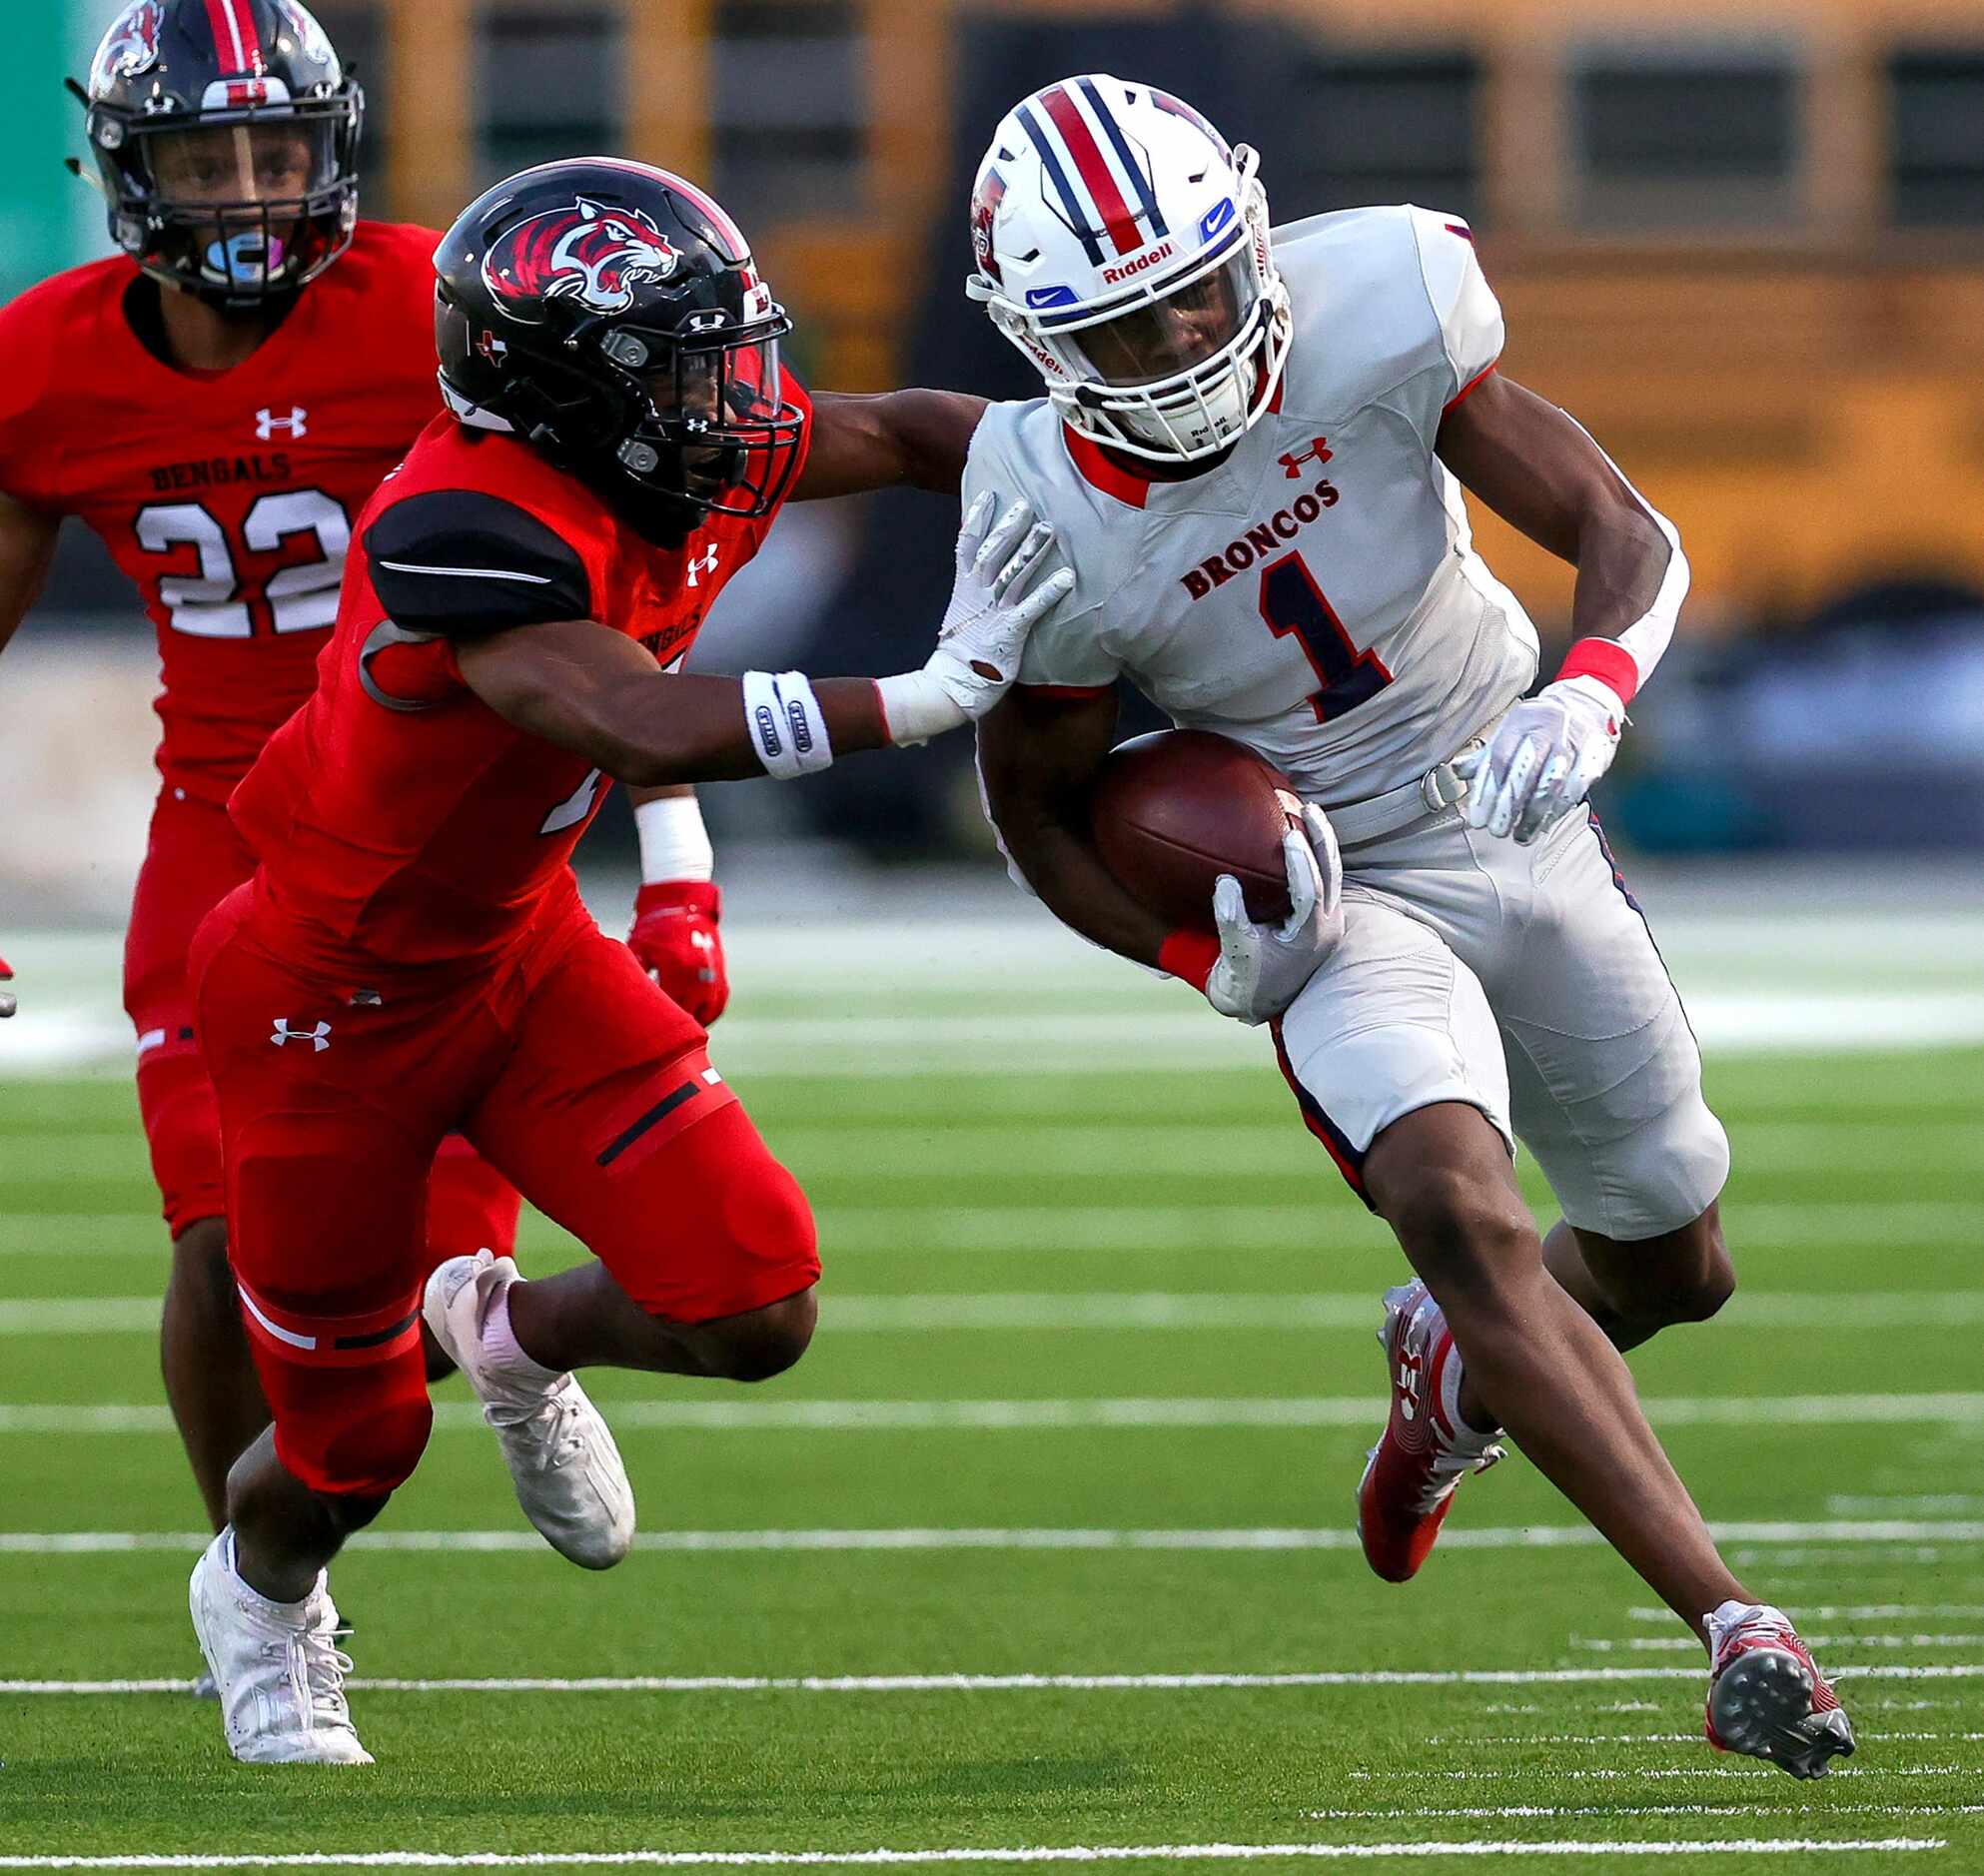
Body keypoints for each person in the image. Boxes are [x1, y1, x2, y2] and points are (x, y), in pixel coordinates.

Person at [966, 75, 1853, 1779]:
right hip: (1327, 883)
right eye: (1125, 328)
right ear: (1037, 335)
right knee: (1459, 1203)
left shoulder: (1379, 301)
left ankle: (1447, 1376)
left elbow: (1621, 530)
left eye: (1199, 294)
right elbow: (1037, 811)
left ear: (1254, 238)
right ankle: (1735, 1623)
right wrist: (1195, 956)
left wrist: (1590, 695)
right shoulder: (1041, 510)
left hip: (1508, 798)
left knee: (1676, 1257)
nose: (1177, 344)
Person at [183, 154, 1071, 1766]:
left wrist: (1118, 467)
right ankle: (259, 1600)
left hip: (513, 954)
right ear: (565, 384)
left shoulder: (678, 447)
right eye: (686, 358)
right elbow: (637, 708)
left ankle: (512, 1333)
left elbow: (923, 430)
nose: (738, 392)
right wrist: (931, 696)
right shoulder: (464, 524)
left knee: (754, 1297)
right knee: (353, 1441)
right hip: (327, 1004)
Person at [0, 0, 731, 1557]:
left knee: (393, 1298)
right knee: (215, 1244)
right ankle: (256, 1599)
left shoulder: (436, 309)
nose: (255, 190)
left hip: (449, 829)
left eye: (281, 149)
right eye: (212, 157)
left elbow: (634, 600)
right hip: (225, 833)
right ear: (134, 171)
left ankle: (498, 1328)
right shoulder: (44, 361)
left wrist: (675, 864)